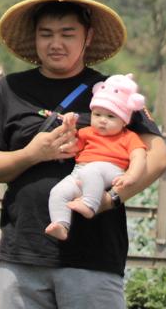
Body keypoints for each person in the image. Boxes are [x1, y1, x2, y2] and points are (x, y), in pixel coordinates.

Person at [0, 0, 166, 309]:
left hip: (93, 250)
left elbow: (159, 155)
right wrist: (32, 153)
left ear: (87, 37)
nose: (56, 43)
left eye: (67, 33)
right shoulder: (9, 90)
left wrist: (113, 197)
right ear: (34, 40)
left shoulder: (112, 90)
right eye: (46, 33)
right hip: (25, 248)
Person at [45, 73, 148, 241]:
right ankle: (61, 225)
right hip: (80, 171)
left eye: (110, 116)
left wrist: (131, 176)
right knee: (59, 191)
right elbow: (73, 147)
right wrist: (69, 128)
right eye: (97, 114)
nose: (102, 121)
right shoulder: (86, 132)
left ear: (124, 121)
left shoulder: (128, 137)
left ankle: (90, 205)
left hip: (111, 170)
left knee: (91, 171)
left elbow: (139, 156)